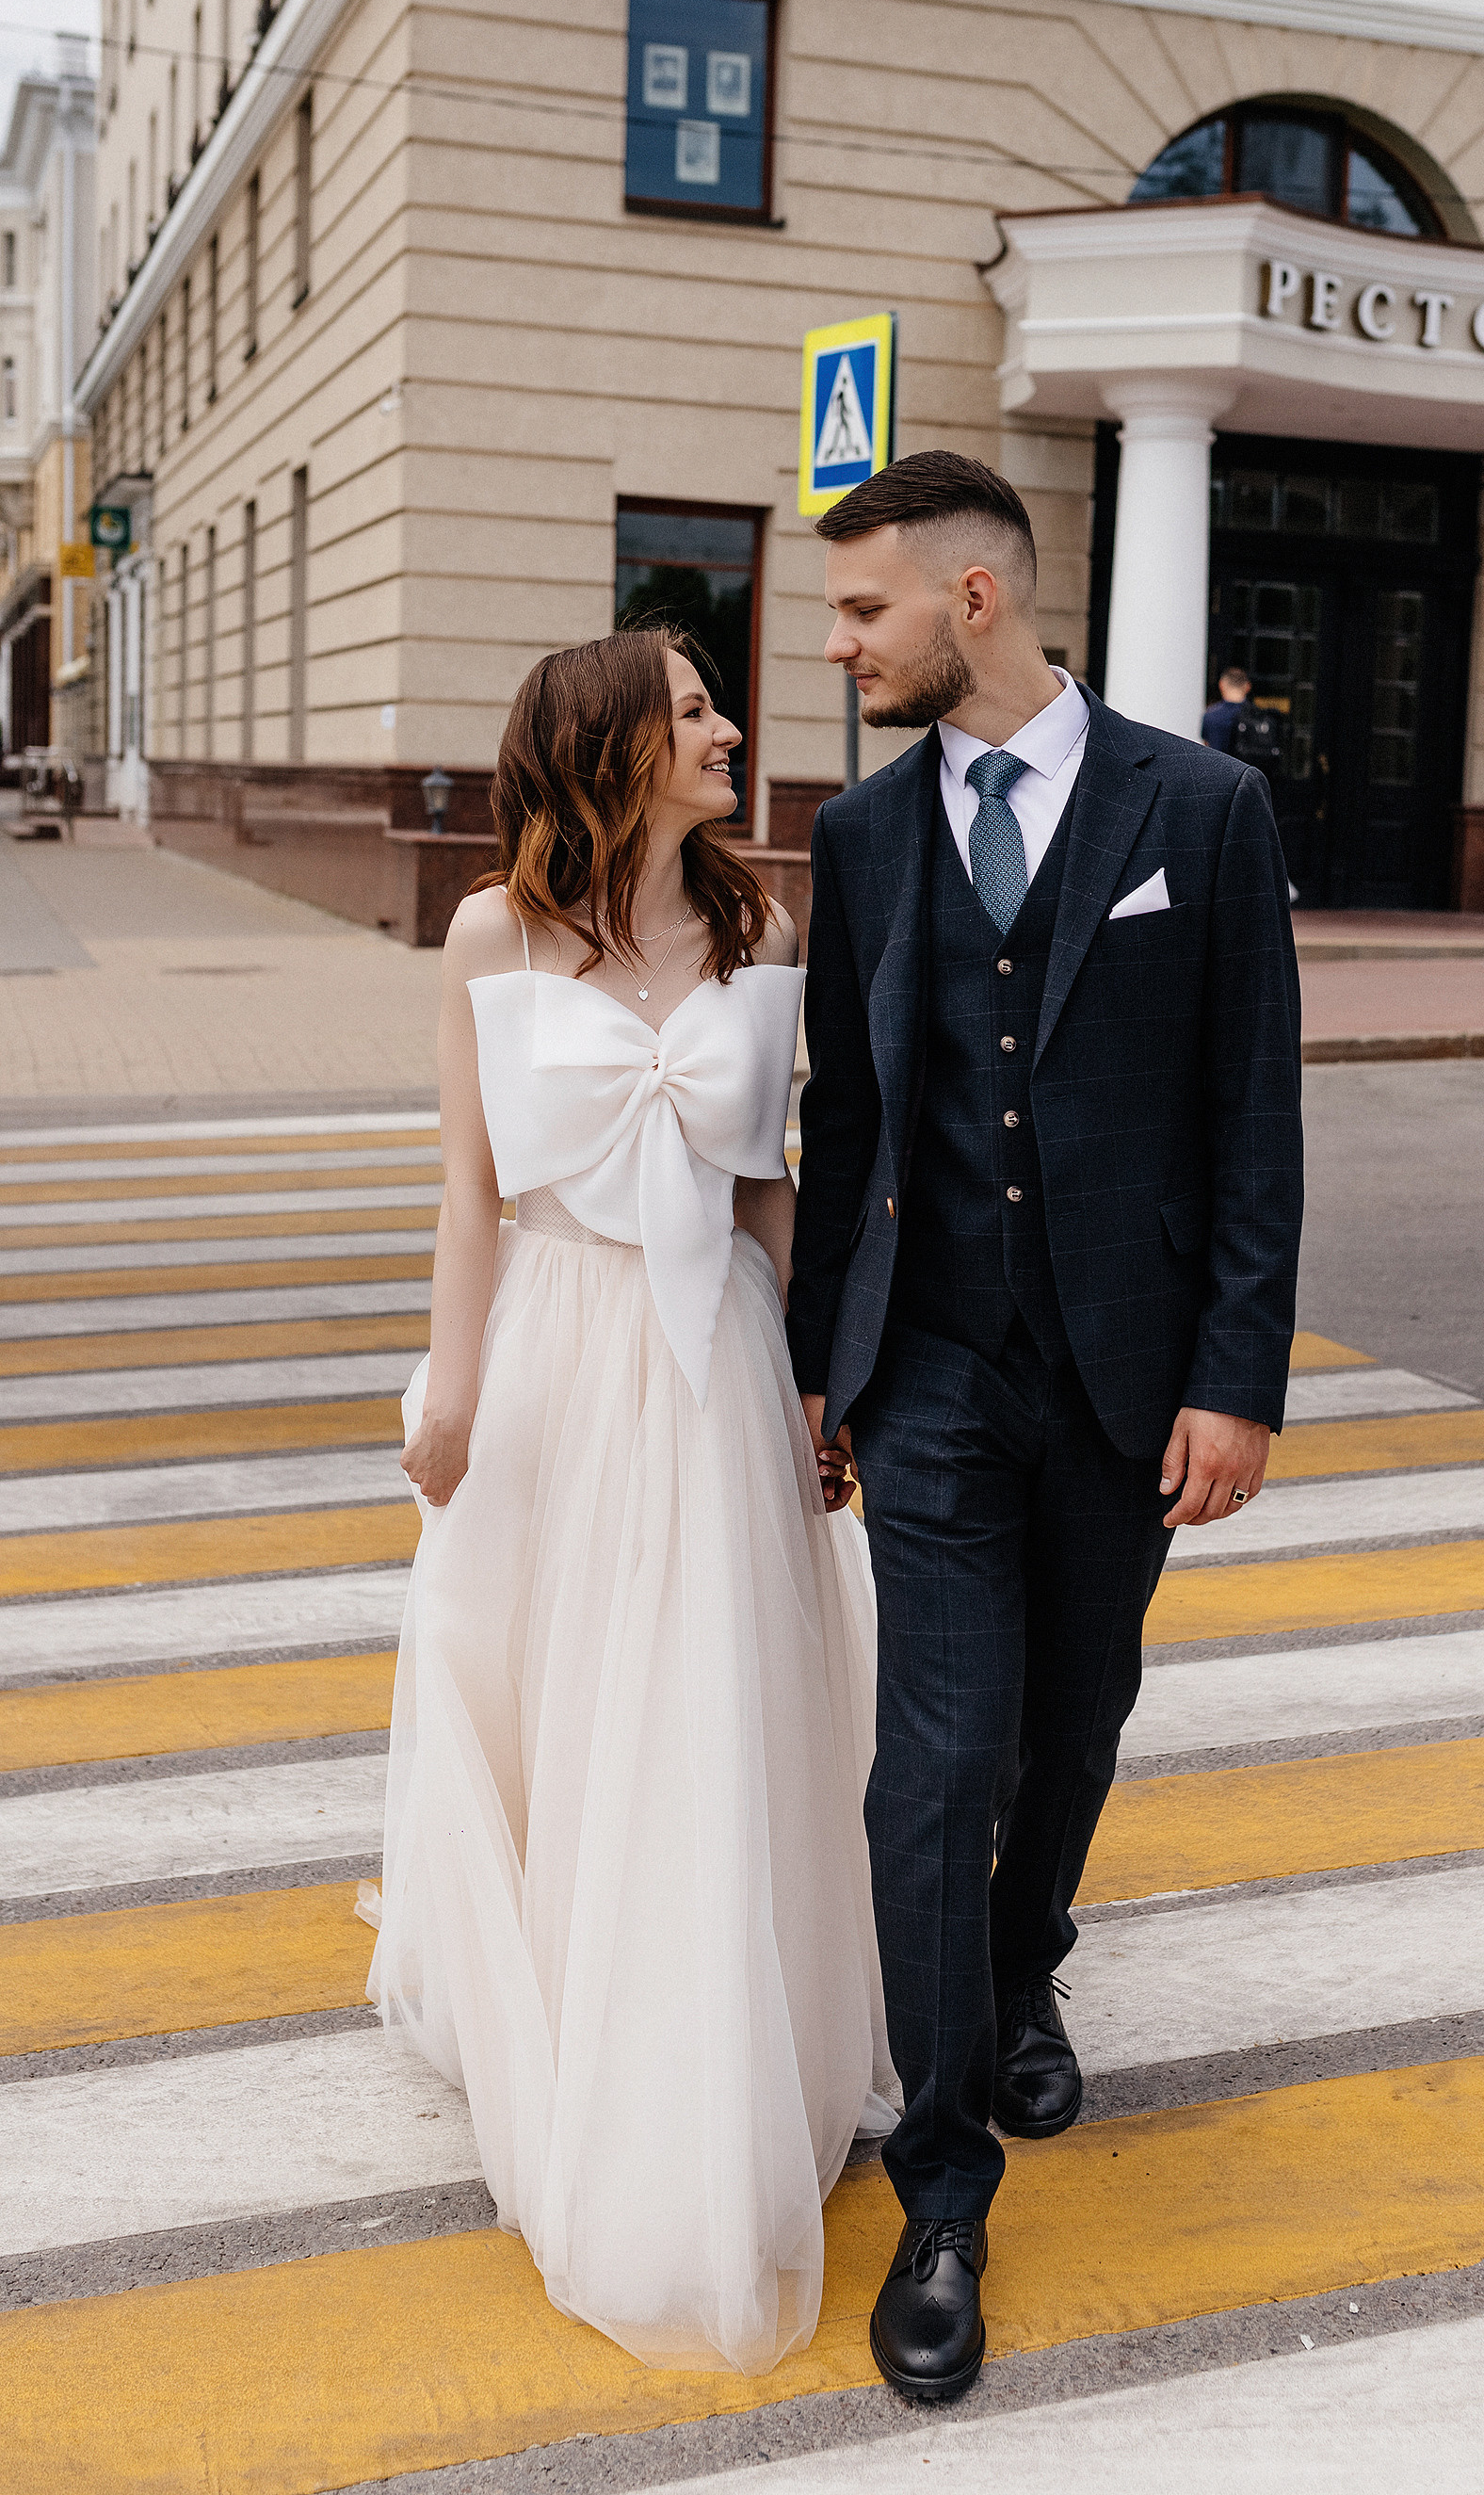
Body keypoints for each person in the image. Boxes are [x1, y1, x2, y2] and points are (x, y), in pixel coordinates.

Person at [788, 451, 1303, 2405]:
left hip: (1120, 1370)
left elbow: (1252, 1114)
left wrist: (1233, 1375)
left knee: (1075, 1717)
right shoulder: (857, 834)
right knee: (933, 1755)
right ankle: (940, 2184)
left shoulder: (1201, 806)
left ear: (974, 602)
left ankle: (1024, 1967)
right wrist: (812, 1369)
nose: (839, 646)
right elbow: (849, 1121)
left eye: (863, 613)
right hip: (923, 1372)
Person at [364, 627, 894, 2375]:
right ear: (608, 746)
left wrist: (809, 1388)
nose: (729, 729)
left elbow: (768, 1196)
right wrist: (452, 1392)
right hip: (564, 1347)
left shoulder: (761, 926)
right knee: (553, 1677)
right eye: (693, 712)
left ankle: (717, 2030)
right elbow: (468, 1195)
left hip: (720, 1361)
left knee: (713, 1693)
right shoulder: (490, 936)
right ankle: (567, 1990)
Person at [1201, 663, 1252, 752]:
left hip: (1220, 763)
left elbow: (1207, 744)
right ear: (1248, 686)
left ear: (1221, 685)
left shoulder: (1211, 716)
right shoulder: (1258, 716)